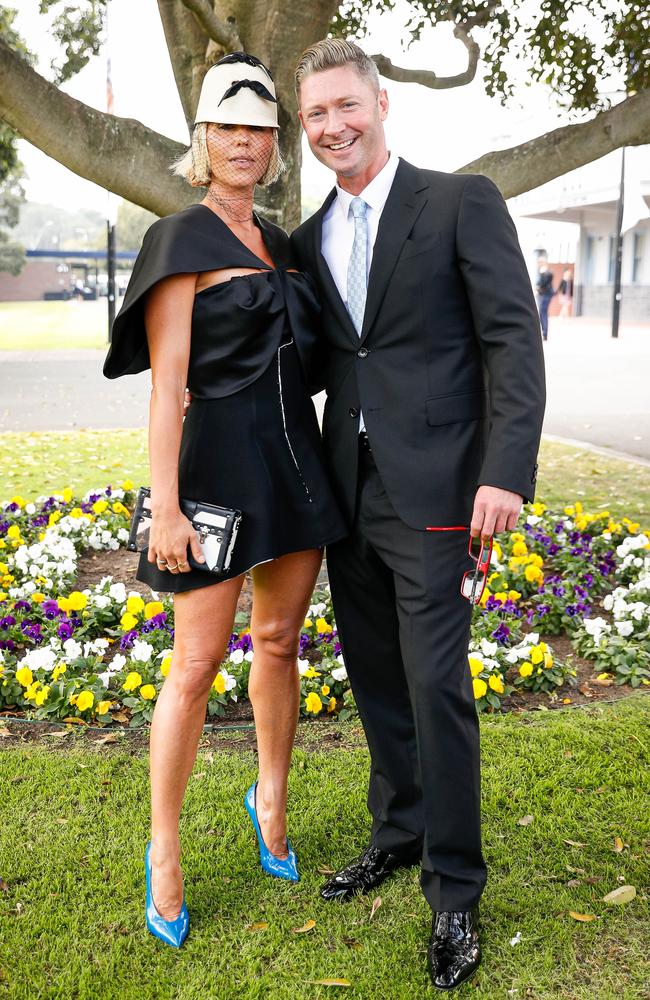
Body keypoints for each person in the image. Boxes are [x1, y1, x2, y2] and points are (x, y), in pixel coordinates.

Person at [290, 39, 546, 991]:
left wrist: (505, 471)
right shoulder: (313, 233)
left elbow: (511, 337)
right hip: (349, 494)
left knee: (437, 686)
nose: (331, 127)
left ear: (381, 101)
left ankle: (455, 892)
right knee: (378, 681)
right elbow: (328, 360)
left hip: (441, 490)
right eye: (314, 115)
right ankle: (399, 833)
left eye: (344, 106)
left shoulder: (458, 200)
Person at [103, 52, 346, 949]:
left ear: (275, 146)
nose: (245, 143)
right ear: (202, 141)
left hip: (296, 469)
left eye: (259, 130)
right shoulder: (178, 240)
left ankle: (269, 798)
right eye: (228, 129)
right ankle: (164, 851)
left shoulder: (285, 246)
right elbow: (168, 388)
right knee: (195, 669)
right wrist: (164, 507)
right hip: (212, 482)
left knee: (280, 643)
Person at [536, 262, 555, 340]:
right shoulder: (546, 273)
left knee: (543, 313)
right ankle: (544, 332)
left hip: (545, 295)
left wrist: (542, 273)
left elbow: (541, 283)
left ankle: (544, 333)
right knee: (542, 313)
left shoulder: (546, 273)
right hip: (544, 295)